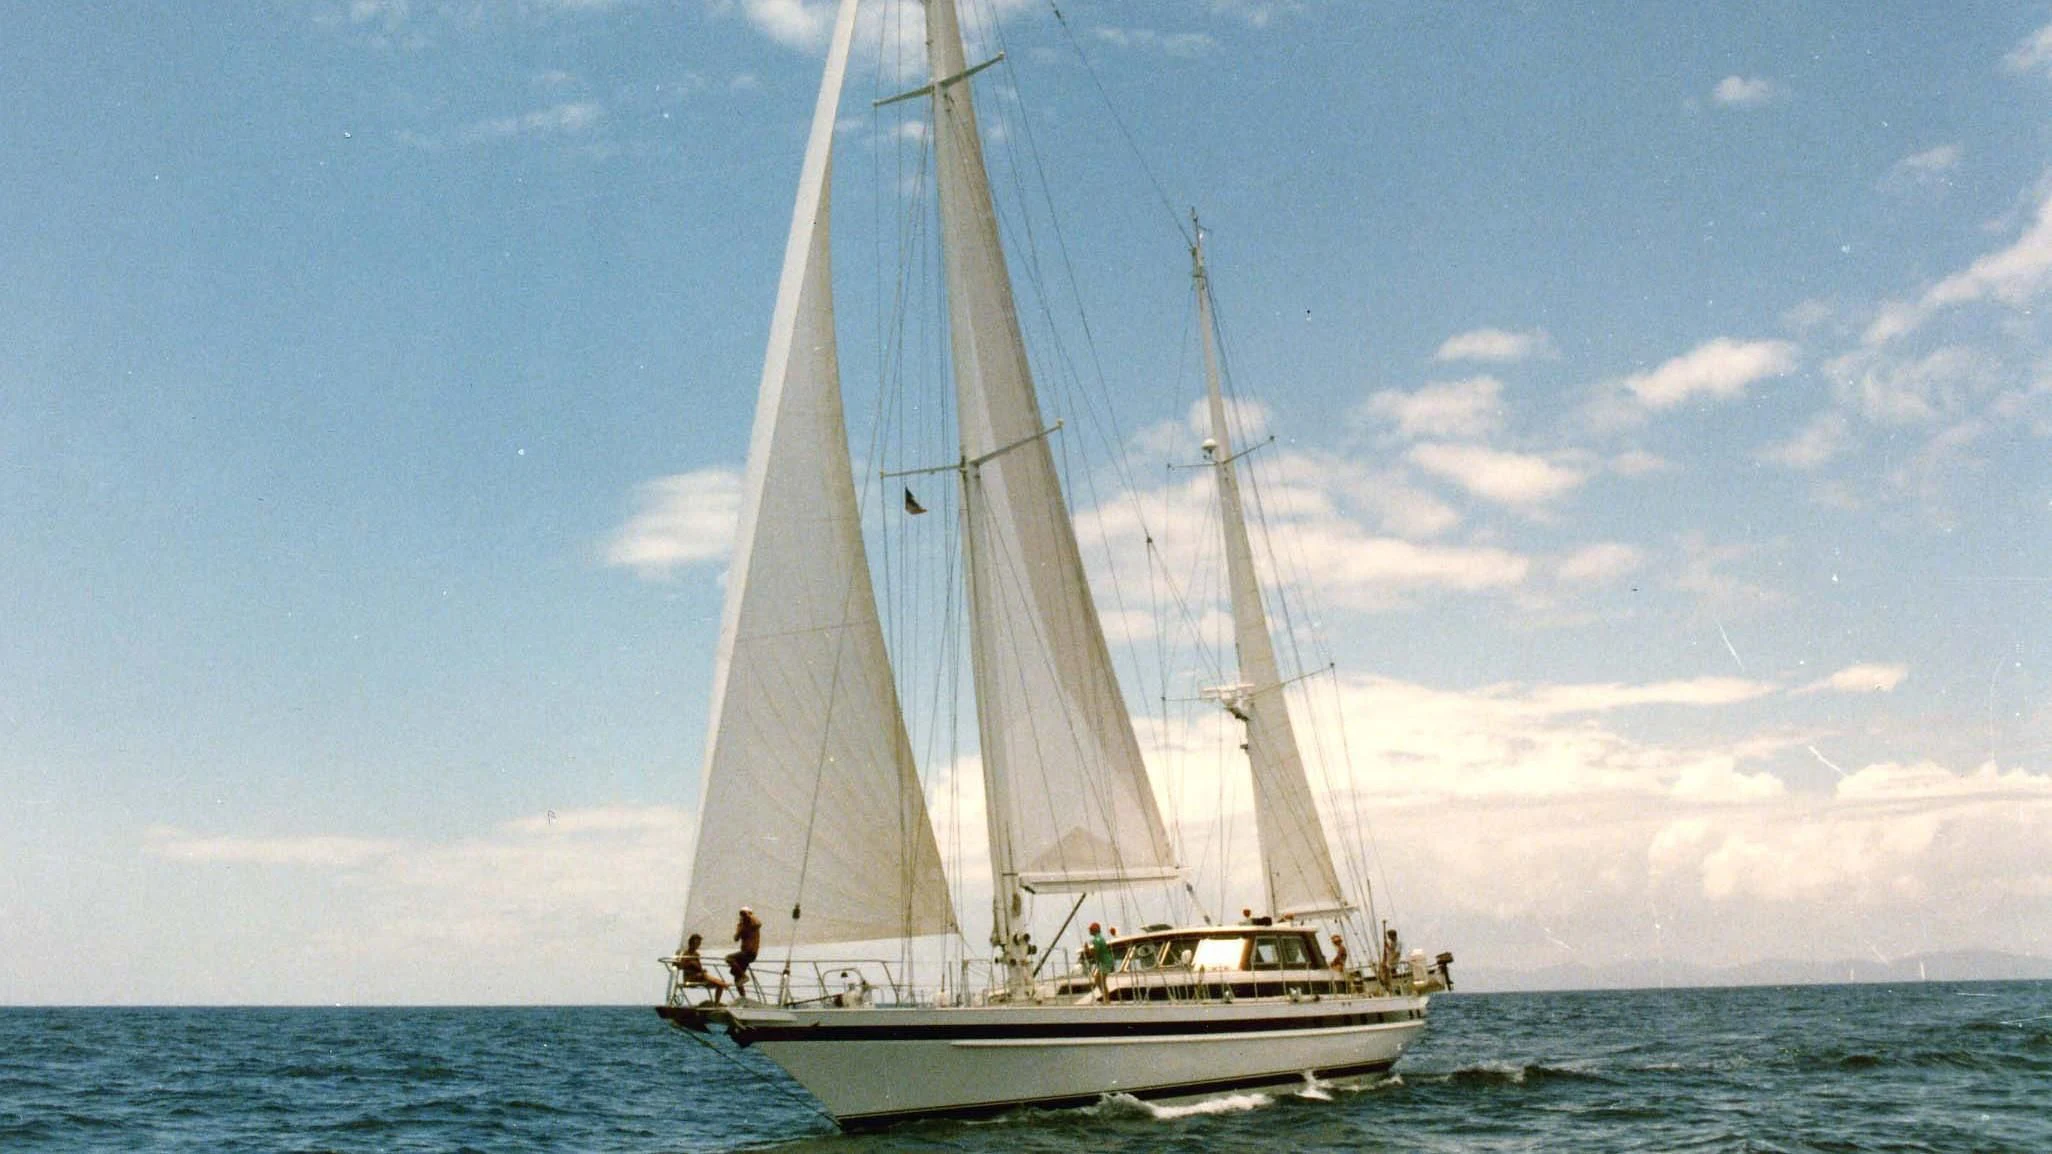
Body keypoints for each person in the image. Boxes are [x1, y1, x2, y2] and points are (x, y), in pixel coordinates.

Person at [676, 933, 728, 1003]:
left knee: (719, 984)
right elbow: (681, 966)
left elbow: (699, 968)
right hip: (690, 978)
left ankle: (716, 1004)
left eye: (698, 944)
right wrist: (690, 963)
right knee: (704, 975)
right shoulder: (686, 954)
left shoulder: (696, 954)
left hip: (699, 977)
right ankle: (723, 984)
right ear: (691, 943)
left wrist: (701, 970)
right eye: (696, 943)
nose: (697, 945)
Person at [727, 906, 762, 990]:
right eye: (741, 914)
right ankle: (743, 998)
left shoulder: (753, 923)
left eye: (744, 914)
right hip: (744, 953)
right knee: (737, 978)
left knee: (729, 958)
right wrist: (740, 928)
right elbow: (736, 938)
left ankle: (744, 976)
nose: (743, 916)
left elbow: (759, 924)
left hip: (750, 952)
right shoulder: (741, 925)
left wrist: (749, 916)